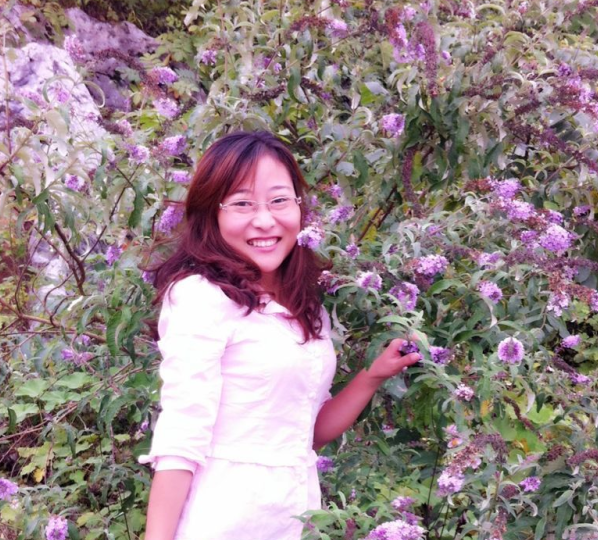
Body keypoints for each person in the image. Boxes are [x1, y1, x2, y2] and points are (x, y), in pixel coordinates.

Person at [140, 131, 420, 540]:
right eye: (242, 204)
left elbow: (305, 433)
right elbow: (180, 438)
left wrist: (371, 376)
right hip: (222, 520)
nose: (265, 220)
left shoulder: (304, 307)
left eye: (279, 200)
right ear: (211, 213)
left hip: (294, 518)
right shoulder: (202, 297)